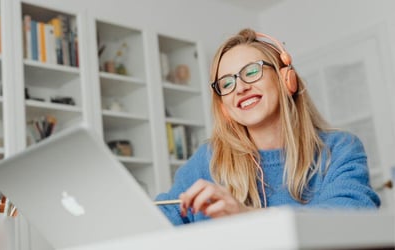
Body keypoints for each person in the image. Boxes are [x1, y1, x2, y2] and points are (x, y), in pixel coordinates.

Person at [155, 28, 381, 225]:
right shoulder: (208, 160)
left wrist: (246, 216)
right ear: (224, 106)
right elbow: (161, 217)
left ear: (286, 79)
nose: (240, 88)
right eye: (226, 83)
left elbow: (350, 216)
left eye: (251, 72)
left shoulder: (340, 149)